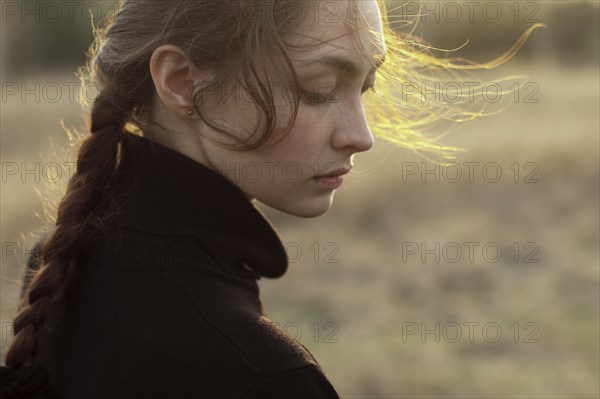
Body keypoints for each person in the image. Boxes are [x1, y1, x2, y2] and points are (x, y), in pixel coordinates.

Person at [1, 0, 543, 397]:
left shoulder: (66, 258)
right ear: (183, 82)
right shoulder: (258, 375)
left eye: (366, 88)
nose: (362, 134)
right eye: (319, 89)